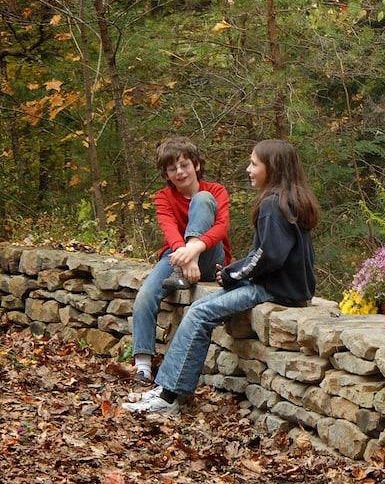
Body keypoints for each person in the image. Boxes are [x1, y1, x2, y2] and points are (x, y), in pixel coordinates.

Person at [123, 139, 319, 416]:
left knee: (200, 314)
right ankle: (167, 390)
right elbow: (266, 252)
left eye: (254, 164)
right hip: (280, 285)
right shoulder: (285, 199)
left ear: (272, 168)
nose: (248, 169)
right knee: (199, 309)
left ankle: (168, 397)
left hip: (275, 289)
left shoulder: (273, 205)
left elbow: (270, 256)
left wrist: (233, 274)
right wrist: (233, 272)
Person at [131, 137, 232, 383]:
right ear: (166, 174)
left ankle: (188, 258)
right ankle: (142, 364)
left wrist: (193, 250)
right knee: (145, 295)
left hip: (212, 255)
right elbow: (169, 230)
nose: (179, 172)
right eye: (172, 168)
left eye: (184, 165)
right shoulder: (163, 197)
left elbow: (221, 227)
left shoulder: (216, 191)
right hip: (176, 257)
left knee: (203, 198)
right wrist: (185, 258)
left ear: (196, 165)